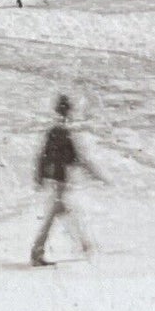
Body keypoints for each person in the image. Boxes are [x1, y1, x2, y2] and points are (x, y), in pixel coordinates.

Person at [31, 94, 105, 266]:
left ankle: (84, 245)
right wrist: (94, 173)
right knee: (56, 215)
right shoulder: (62, 132)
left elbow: (43, 156)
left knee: (64, 211)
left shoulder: (55, 132)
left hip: (56, 180)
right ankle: (38, 252)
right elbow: (74, 158)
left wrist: (40, 176)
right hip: (59, 181)